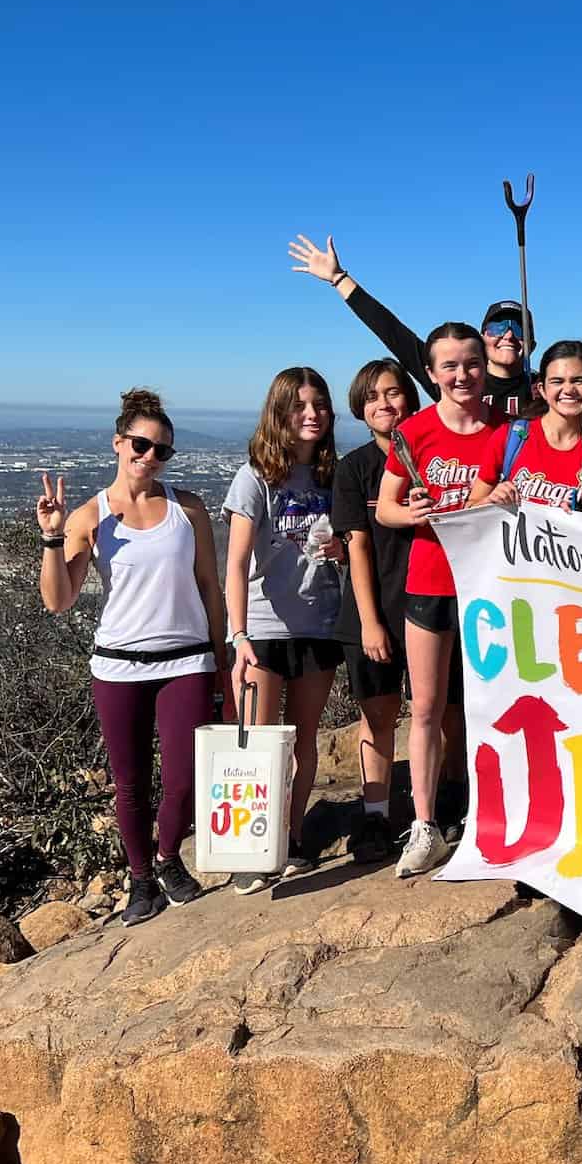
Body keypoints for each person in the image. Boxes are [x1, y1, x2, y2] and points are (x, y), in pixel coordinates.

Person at [37, 389, 222, 925]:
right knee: (131, 781)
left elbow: (209, 585)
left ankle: (168, 858)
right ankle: (141, 878)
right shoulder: (90, 516)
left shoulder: (188, 509)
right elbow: (58, 600)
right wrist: (52, 539)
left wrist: (224, 656)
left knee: (185, 776)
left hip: (187, 658)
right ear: (118, 443)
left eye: (162, 449)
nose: (150, 456)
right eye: (140, 444)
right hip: (118, 664)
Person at [377, 322, 504, 877]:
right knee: (426, 707)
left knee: (493, 705)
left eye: (471, 363)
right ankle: (425, 824)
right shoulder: (415, 431)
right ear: (431, 374)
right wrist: (413, 514)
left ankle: (494, 815)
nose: (462, 374)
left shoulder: (509, 429)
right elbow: (385, 507)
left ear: (486, 366)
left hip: (492, 583)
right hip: (430, 580)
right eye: (449, 366)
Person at [224, 368, 345, 894]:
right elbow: (234, 563)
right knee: (257, 746)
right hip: (265, 627)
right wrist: (238, 635)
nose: (312, 414)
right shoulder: (255, 477)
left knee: (304, 741)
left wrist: (339, 550)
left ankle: (293, 839)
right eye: (299, 406)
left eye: (319, 404)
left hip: (318, 623)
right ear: (279, 414)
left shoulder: (330, 476)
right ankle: (252, 851)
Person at [288, 234, 536, 414]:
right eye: (497, 328)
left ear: (532, 344)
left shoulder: (544, 387)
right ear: (481, 340)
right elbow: (390, 330)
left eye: (518, 328)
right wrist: (339, 278)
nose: (508, 336)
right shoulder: (454, 378)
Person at [332, 359, 418, 864]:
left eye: (393, 393)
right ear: (361, 410)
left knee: (441, 713)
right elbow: (357, 546)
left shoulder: (434, 457)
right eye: (372, 398)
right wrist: (369, 622)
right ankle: (375, 816)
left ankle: (444, 806)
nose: (384, 405)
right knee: (379, 714)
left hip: (432, 606)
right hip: (374, 611)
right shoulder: (355, 467)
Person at [469, 341, 582, 512]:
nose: (568, 389)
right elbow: (470, 508)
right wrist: (491, 501)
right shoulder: (510, 437)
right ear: (542, 389)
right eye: (557, 381)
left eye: (579, 381)